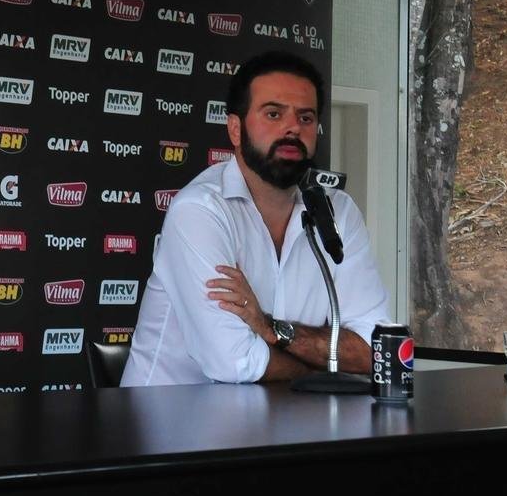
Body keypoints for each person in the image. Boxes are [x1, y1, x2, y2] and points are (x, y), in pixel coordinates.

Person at [121, 51, 390, 385]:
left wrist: (271, 329)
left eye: (306, 118)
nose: (293, 127)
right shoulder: (200, 210)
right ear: (235, 129)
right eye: (274, 114)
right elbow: (235, 363)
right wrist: (325, 370)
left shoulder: (339, 211)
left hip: (288, 423)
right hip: (173, 428)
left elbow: (375, 349)